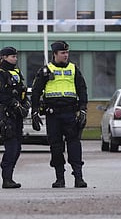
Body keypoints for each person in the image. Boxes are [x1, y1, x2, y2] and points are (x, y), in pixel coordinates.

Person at [30, 40, 88, 188]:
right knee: (56, 147)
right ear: (54, 54)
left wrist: (83, 109)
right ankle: (59, 178)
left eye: (67, 52)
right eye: (63, 53)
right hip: (53, 114)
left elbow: (82, 89)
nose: (66, 55)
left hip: (70, 113)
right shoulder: (45, 70)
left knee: (74, 145)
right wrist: (35, 112)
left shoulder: (74, 69)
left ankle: (78, 177)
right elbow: (36, 92)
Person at [0, 46, 30, 188]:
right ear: (4, 57)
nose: (15, 59)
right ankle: (6, 179)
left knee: (17, 148)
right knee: (11, 147)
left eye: (15, 56)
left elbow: (21, 90)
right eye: (12, 56)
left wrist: (25, 102)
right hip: (7, 114)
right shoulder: (0, 73)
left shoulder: (16, 72)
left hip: (17, 115)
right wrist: (14, 103)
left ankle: (10, 177)